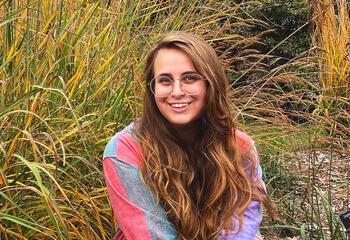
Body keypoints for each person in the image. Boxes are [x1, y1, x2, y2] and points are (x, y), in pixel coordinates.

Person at [103, 31, 274, 240]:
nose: (177, 91)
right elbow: (151, 235)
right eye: (165, 81)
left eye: (190, 78)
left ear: (210, 84)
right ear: (152, 89)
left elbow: (241, 228)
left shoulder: (240, 147)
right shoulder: (124, 151)